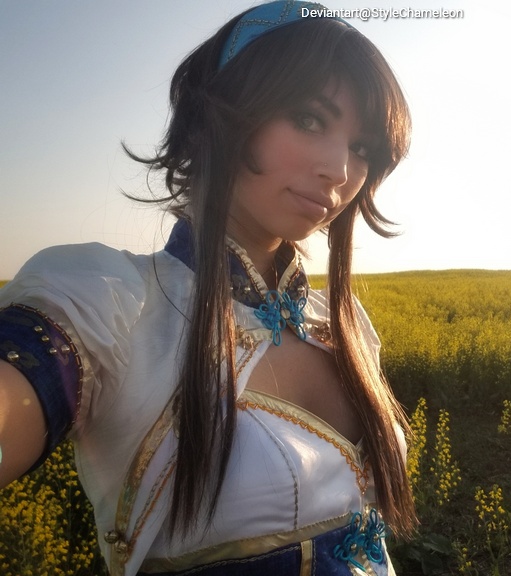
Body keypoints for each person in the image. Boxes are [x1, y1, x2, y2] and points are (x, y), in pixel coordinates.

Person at [0, 1, 416, 574]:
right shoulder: (116, 302)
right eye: (309, 119)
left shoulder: (343, 324)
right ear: (218, 117)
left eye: (363, 148)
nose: (340, 170)